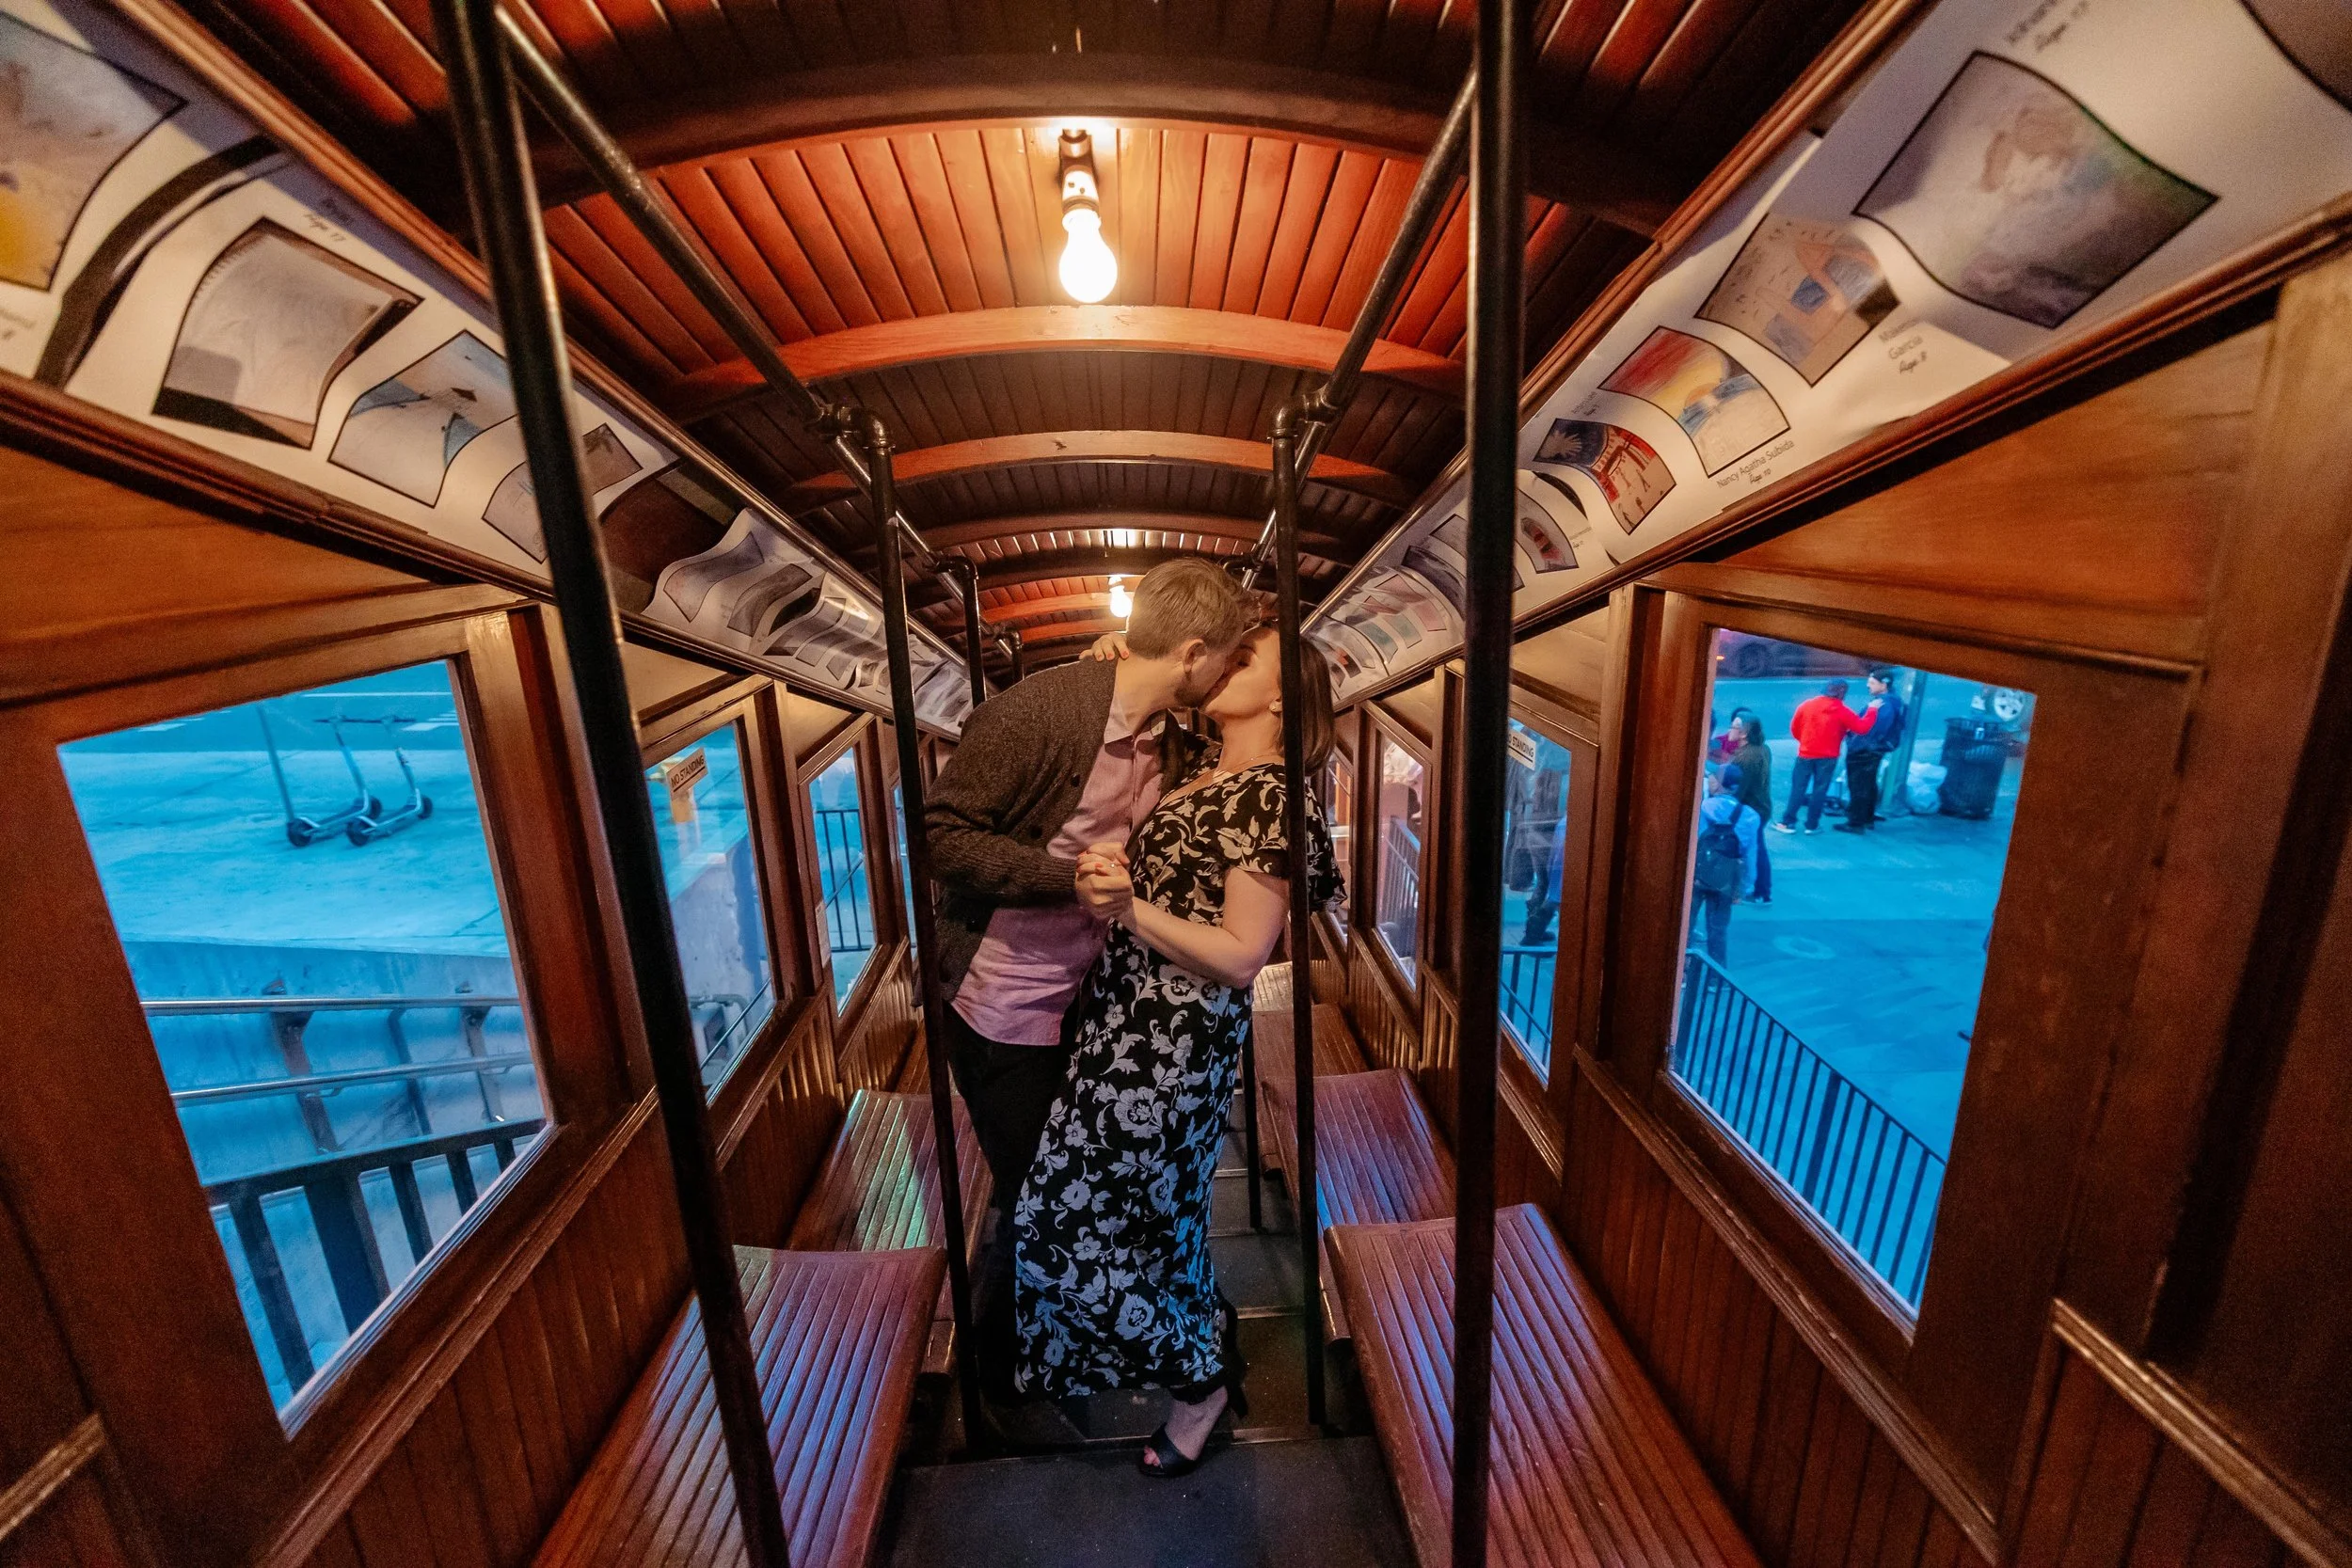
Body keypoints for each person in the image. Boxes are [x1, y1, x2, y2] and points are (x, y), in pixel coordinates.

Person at [922, 558, 1248, 1420]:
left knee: (1084, 1198)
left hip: (1088, 1009)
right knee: (1039, 1210)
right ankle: (1003, 1388)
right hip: (1001, 1011)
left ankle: (1078, 1362)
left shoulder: (1174, 736)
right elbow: (941, 837)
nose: (1227, 677)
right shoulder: (1036, 713)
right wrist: (1065, 879)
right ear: (1190, 653)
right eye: (1226, 659)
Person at [1014, 622, 1340, 1478]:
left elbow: (1240, 954)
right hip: (1123, 1025)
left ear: (1281, 696)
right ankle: (1205, 1364)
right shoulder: (1205, 771)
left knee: (1056, 1225)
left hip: (1171, 1049)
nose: (1224, 664)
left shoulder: (1273, 793)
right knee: (1163, 1226)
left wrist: (1127, 911)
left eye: (1245, 658)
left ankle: (1195, 1379)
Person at [1773, 678, 1879, 834]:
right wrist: (1872, 710)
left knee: (1798, 788)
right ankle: (1812, 825)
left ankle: (1788, 822)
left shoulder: (1807, 705)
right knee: (1819, 791)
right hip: (1828, 757)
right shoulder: (1842, 711)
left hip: (1806, 753)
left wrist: (1804, 742)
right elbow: (1861, 728)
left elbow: (1795, 727)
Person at [1690, 763, 1758, 964]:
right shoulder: (1750, 816)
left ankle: (1681, 973)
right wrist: (1744, 888)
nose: (1709, 779)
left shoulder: (1703, 807)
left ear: (1719, 784)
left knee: (1687, 923)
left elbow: (1694, 841)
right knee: (1718, 928)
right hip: (1726, 879)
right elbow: (1750, 855)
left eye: (1712, 777)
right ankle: (1715, 978)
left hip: (1698, 875)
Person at [1835, 667, 1905, 833]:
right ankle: (1867, 817)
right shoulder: (1893, 701)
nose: (1868, 686)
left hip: (1865, 751)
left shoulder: (1883, 705)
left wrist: (1854, 743)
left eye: (1872, 683)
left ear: (1884, 685)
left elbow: (1871, 730)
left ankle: (1856, 822)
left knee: (1858, 785)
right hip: (1874, 750)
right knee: (1869, 783)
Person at [1725, 712, 1774, 904]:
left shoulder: (1745, 758)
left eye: (1734, 727)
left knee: (1755, 850)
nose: (1730, 729)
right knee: (1758, 847)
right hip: (1762, 807)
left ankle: (1761, 891)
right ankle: (1762, 890)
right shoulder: (1763, 749)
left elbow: (1739, 790)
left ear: (1744, 733)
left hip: (1752, 809)